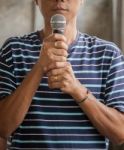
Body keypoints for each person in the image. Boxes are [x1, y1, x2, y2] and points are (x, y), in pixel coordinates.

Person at [0, 0, 124, 149]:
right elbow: (3, 127)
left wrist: (77, 89)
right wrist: (40, 66)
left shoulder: (108, 54)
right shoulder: (13, 50)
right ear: (36, 1)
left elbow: (120, 133)